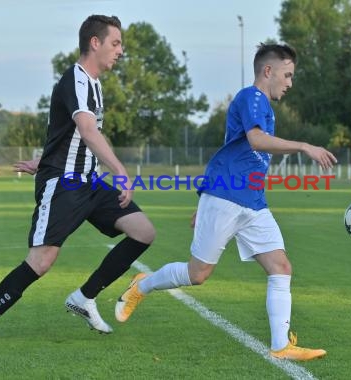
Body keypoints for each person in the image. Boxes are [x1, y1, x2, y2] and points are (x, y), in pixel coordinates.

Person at [114, 43, 336, 361]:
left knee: (281, 267)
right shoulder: (251, 97)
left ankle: (280, 346)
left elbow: (243, 152)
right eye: (287, 75)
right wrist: (304, 146)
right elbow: (256, 140)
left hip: (252, 202)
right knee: (197, 274)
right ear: (268, 71)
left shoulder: (264, 108)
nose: (290, 83)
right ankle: (143, 284)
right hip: (226, 199)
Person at [0, 15, 155, 348]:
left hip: (89, 182)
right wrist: (121, 171)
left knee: (143, 232)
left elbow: (66, 134)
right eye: (116, 43)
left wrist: (45, 158)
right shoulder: (76, 80)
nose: (121, 51)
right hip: (65, 185)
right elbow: (87, 131)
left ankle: (85, 297)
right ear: (95, 43)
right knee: (41, 261)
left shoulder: (93, 84)